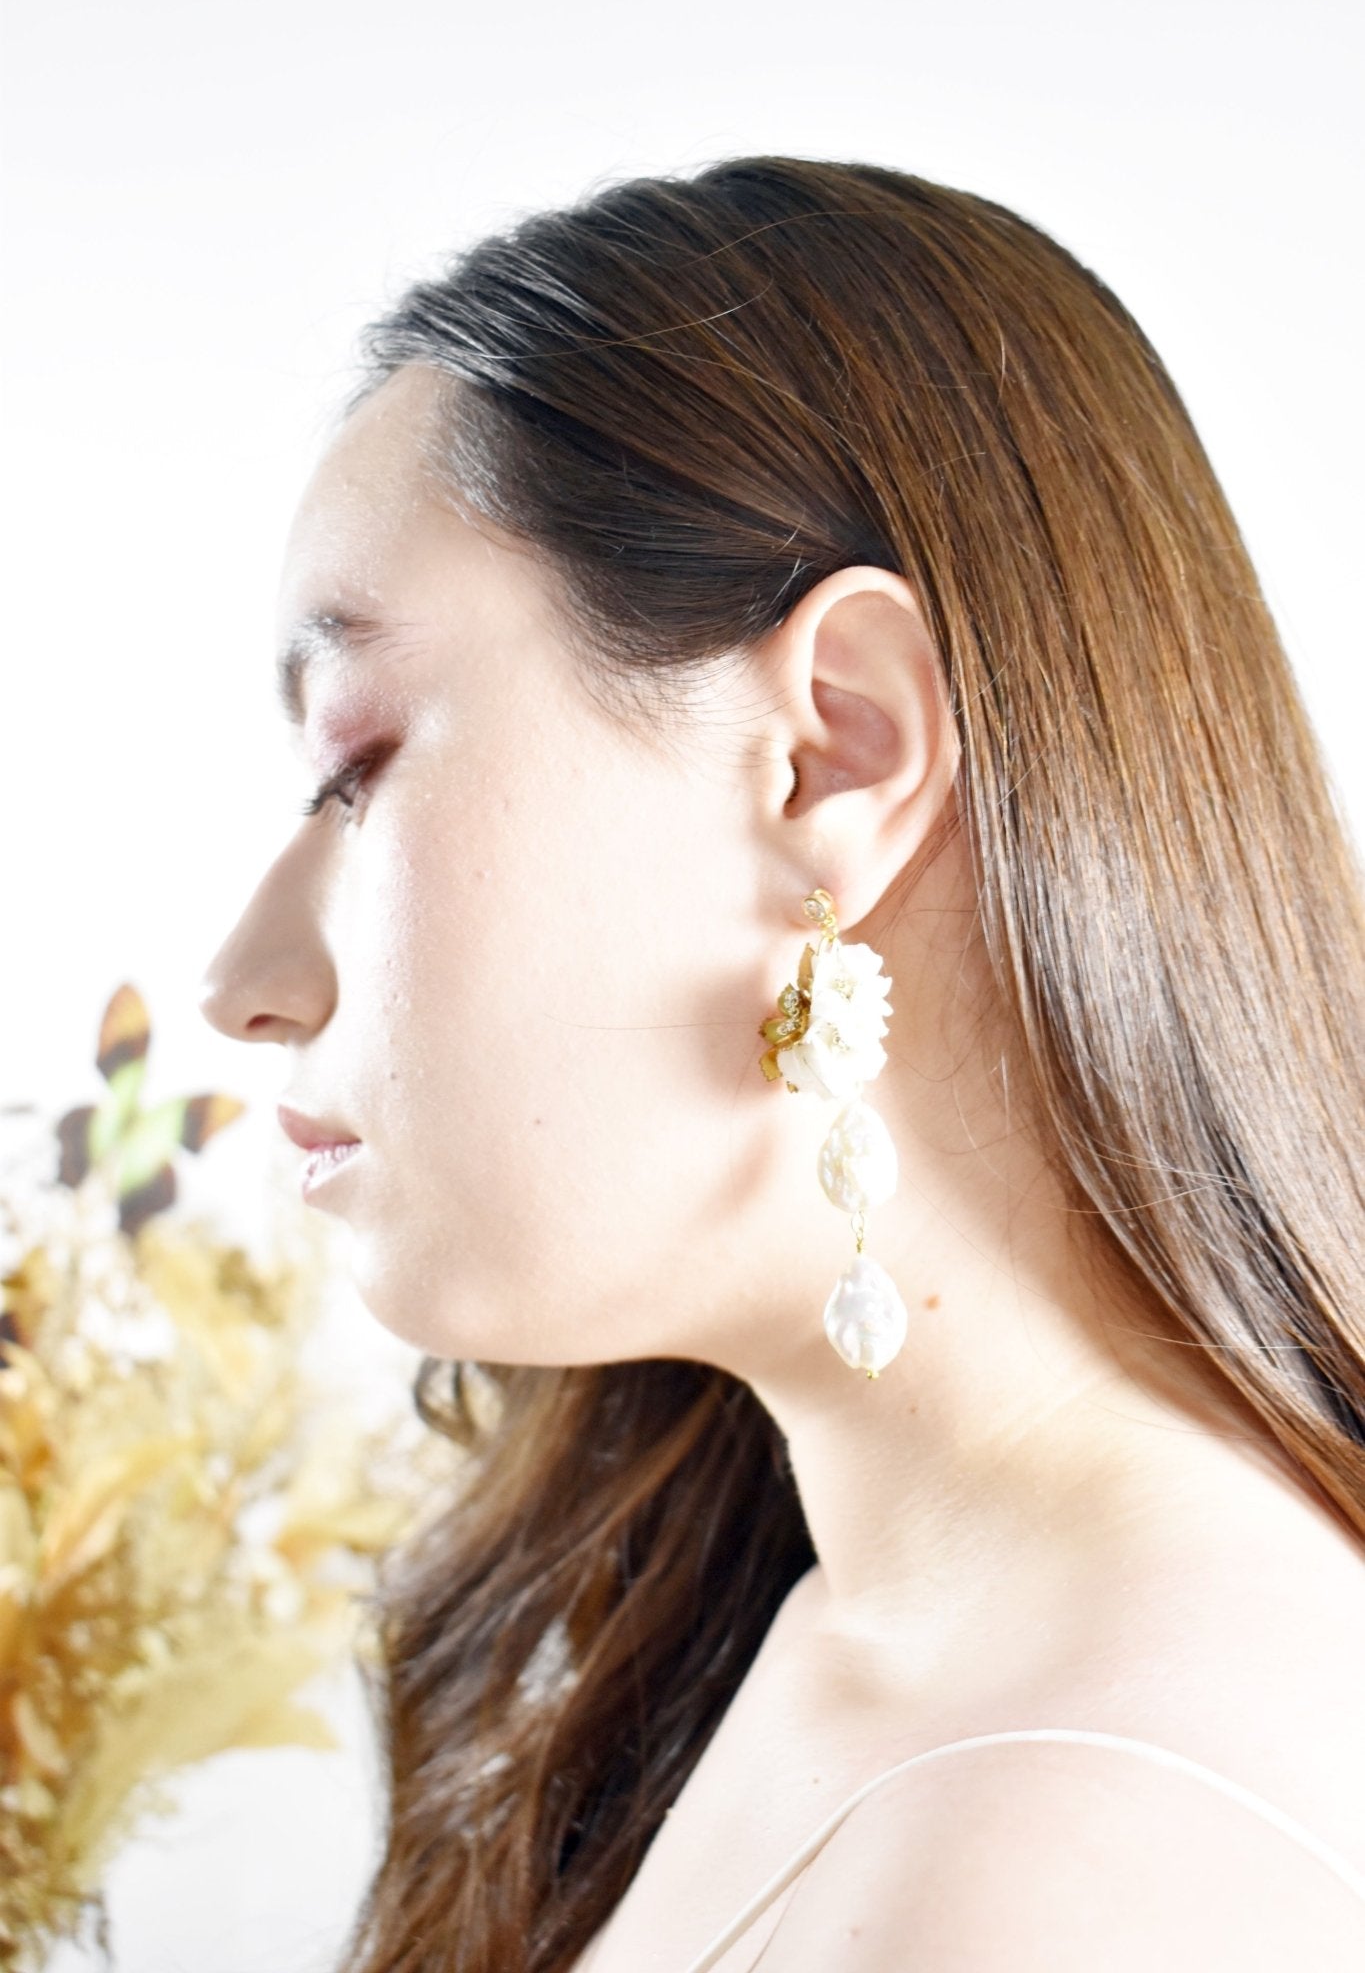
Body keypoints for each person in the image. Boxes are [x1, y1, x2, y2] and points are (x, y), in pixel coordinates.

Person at [197, 156, 1365, 1971]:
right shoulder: (843, 1628)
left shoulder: (1092, 1877)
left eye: (361, 764)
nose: (245, 983)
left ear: (831, 752)